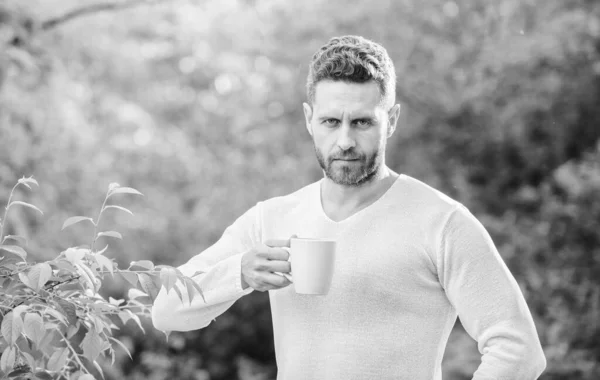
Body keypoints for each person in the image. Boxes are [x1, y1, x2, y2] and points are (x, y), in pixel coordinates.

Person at [152, 35, 546, 379]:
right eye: (329, 122)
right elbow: (166, 311)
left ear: (390, 120)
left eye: (361, 122)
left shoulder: (442, 222)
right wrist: (237, 273)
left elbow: (518, 350)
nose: (344, 141)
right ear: (308, 120)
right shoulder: (271, 218)